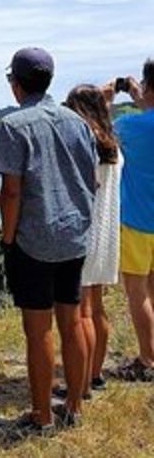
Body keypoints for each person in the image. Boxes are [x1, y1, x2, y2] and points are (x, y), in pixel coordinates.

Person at [0, 47, 98, 435]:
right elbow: (91, 180)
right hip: (73, 236)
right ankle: (74, 407)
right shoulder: (78, 122)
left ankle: (41, 416)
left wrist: (7, 238)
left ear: (15, 83)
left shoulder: (14, 125)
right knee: (71, 322)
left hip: (34, 240)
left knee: (38, 331)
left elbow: (13, 192)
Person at [54, 85, 122, 399]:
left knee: (80, 314)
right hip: (108, 233)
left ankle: (78, 388)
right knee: (97, 308)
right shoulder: (112, 147)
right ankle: (94, 375)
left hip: (85, 231)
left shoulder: (85, 142)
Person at [104, 59, 154, 381]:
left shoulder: (130, 126)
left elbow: (99, 131)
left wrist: (107, 100)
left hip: (138, 221)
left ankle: (148, 360)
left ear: (148, 87)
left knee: (138, 293)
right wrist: (143, 97)